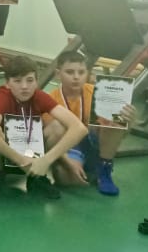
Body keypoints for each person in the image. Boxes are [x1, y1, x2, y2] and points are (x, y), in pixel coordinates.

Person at [0, 56, 91, 200]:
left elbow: (79, 128)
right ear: (7, 83)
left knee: (57, 127)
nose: (24, 86)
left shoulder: (39, 96)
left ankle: (38, 177)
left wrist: (46, 160)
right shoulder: (4, 96)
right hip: (7, 156)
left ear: (36, 82)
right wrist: (20, 160)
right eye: (17, 81)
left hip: (35, 160)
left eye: (30, 80)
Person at [46, 50, 137, 196]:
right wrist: (67, 163)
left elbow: (122, 134)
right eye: (70, 72)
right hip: (69, 149)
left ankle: (104, 169)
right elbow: (50, 141)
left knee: (113, 117)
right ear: (58, 74)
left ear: (87, 73)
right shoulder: (50, 100)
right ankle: (86, 170)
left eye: (81, 72)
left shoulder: (99, 93)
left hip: (95, 143)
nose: (76, 77)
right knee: (65, 179)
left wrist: (129, 121)